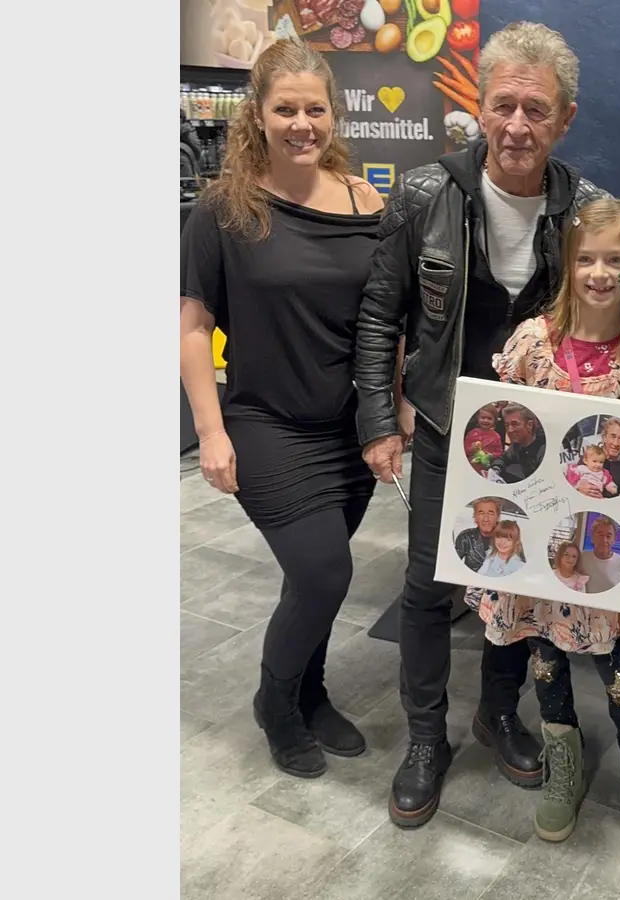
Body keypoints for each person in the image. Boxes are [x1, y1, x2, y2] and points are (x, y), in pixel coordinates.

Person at [351, 21, 610, 828]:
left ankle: (500, 714)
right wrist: (374, 419)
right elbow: (377, 316)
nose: (517, 126)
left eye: (537, 108)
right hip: (441, 424)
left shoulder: (585, 212)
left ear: (565, 117)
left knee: (514, 585)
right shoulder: (427, 195)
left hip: (535, 440)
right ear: (481, 106)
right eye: (504, 105)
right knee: (429, 589)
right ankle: (426, 738)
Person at [179, 41, 387, 779]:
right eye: (285, 109)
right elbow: (192, 324)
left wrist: (391, 414)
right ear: (258, 116)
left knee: (312, 581)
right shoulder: (225, 208)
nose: (302, 123)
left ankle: (312, 692)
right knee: (326, 573)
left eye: (315, 109)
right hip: (264, 424)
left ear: (334, 113)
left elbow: (383, 321)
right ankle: (274, 702)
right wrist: (210, 431)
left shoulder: (369, 204)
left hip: (348, 431)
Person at [467, 198, 620, 875]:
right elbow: (492, 434)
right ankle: (563, 757)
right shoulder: (533, 342)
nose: (599, 272)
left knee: (619, 661)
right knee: (544, 656)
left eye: (616, 261)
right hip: (535, 547)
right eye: (586, 258)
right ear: (567, 265)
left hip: (598, 552)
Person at [486, 403, 545, 483]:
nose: (510, 430)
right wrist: (494, 471)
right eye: (507, 425)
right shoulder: (517, 445)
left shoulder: (543, 450)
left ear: (529, 425)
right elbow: (503, 458)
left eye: (515, 424)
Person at [576, 515, 620, 594]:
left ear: (614, 540)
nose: (604, 540)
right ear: (592, 537)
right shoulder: (581, 558)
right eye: (600, 534)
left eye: (608, 536)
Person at [454, 497, 502, 571]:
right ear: (475, 517)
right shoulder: (466, 537)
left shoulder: (509, 538)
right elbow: (452, 566)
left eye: (490, 513)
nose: (486, 519)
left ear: (498, 517)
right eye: (481, 513)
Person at [464, 407, 504, 474]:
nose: (486, 420)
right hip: (471, 465)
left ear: (495, 420)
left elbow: (500, 452)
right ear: (478, 418)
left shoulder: (496, 436)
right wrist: (471, 449)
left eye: (489, 418)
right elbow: (464, 450)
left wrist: (491, 455)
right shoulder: (472, 433)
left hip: (487, 467)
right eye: (483, 417)